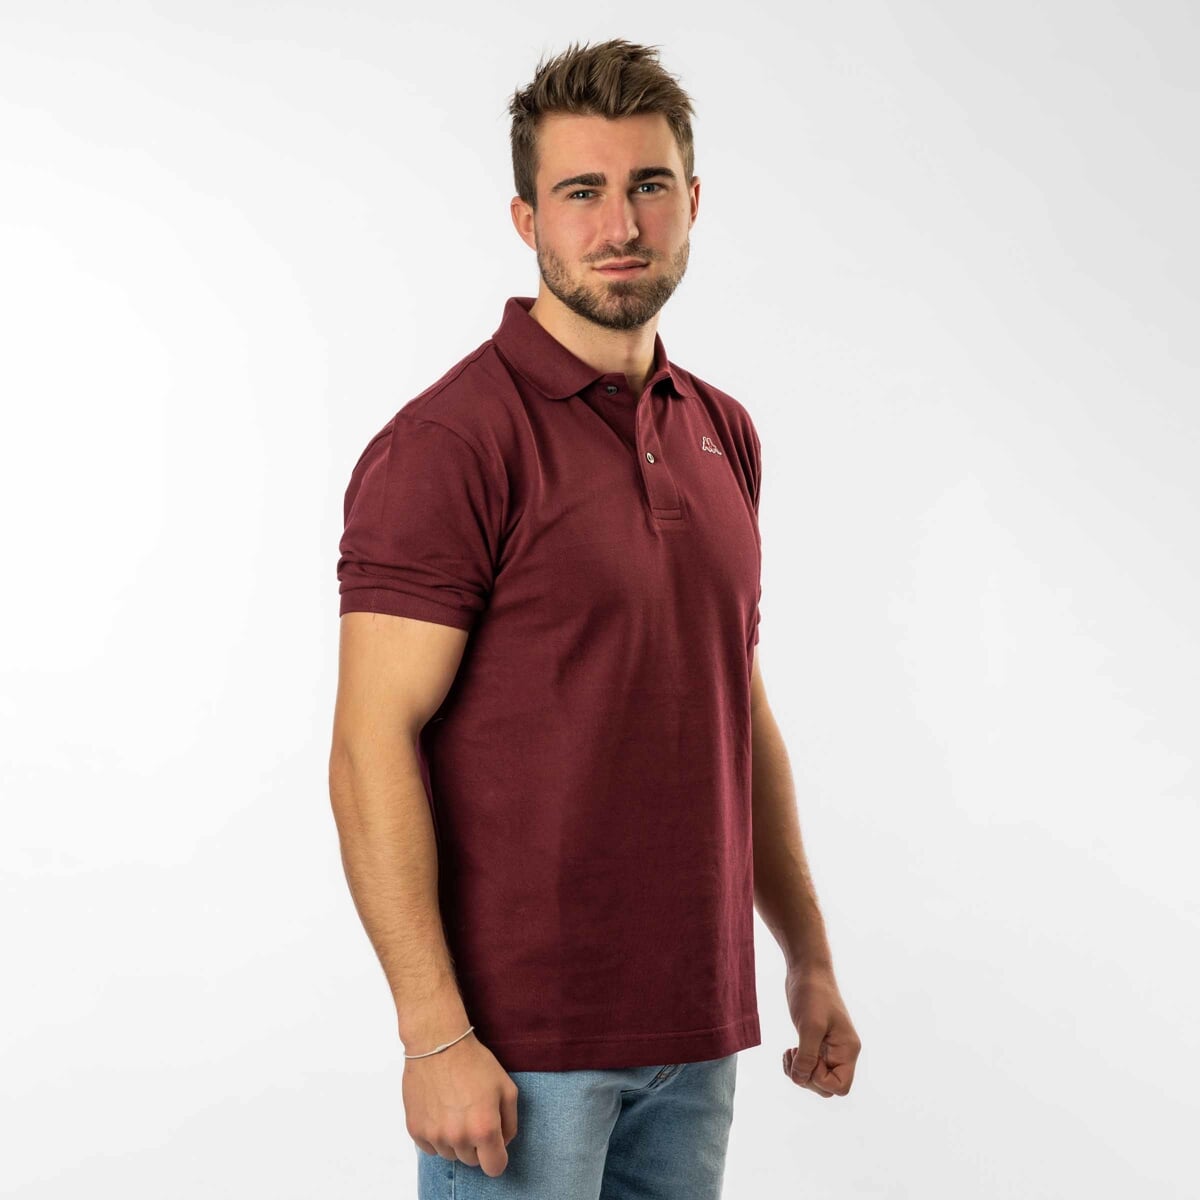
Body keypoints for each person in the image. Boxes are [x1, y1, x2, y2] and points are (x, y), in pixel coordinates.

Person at [329, 38, 860, 1199]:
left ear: (693, 202)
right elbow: (370, 743)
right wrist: (432, 1033)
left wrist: (806, 957)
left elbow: (737, 707)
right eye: (581, 192)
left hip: (696, 1030)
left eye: (647, 186)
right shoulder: (452, 444)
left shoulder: (722, 429)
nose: (620, 224)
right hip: (522, 1049)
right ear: (527, 219)